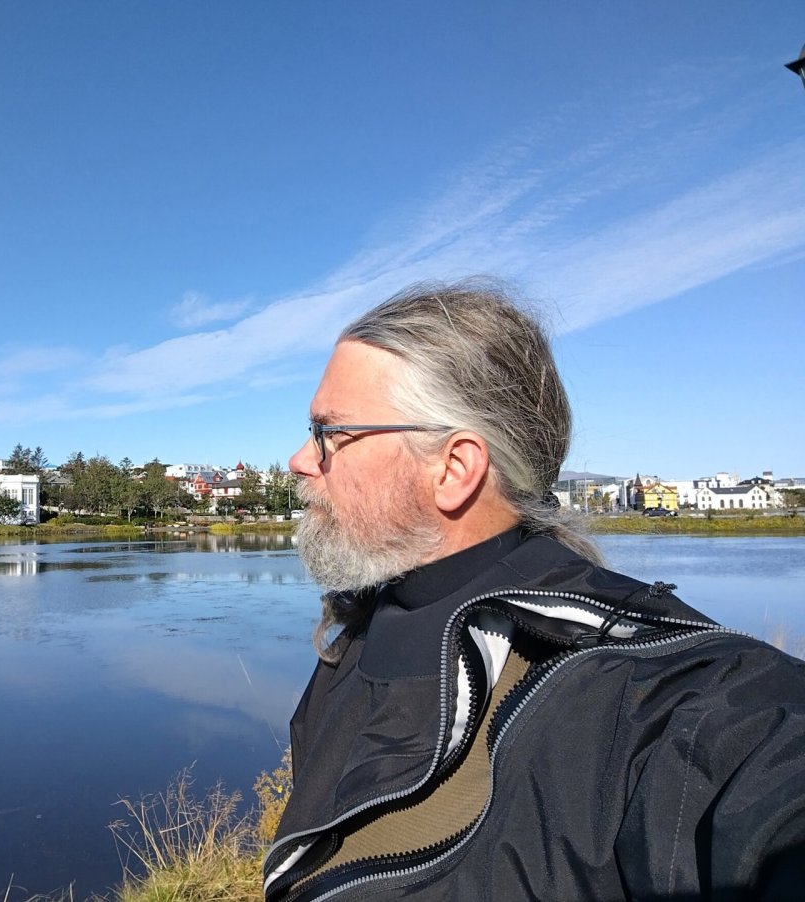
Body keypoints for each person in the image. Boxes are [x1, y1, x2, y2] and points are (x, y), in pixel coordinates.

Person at [264, 280, 805, 901]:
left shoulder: (667, 699)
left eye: (330, 432)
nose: (299, 459)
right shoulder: (359, 631)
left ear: (454, 469)